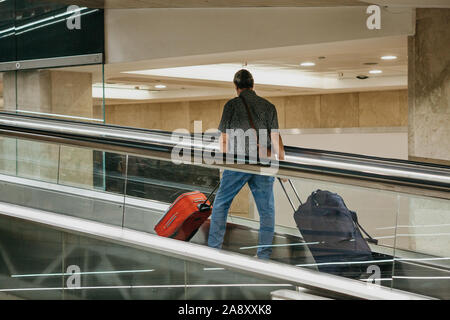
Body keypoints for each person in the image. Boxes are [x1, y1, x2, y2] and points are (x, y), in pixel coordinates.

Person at [207, 69, 286, 259]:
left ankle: (213, 249)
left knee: (221, 204)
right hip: (263, 163)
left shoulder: (231, 105)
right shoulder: (269, 106)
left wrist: (223, 164)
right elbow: (275, 138)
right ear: (253, 85)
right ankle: (264, 255)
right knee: (266, 210)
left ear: (236, 87)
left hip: (238, 162)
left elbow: (224, 139)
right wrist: (282, 164)